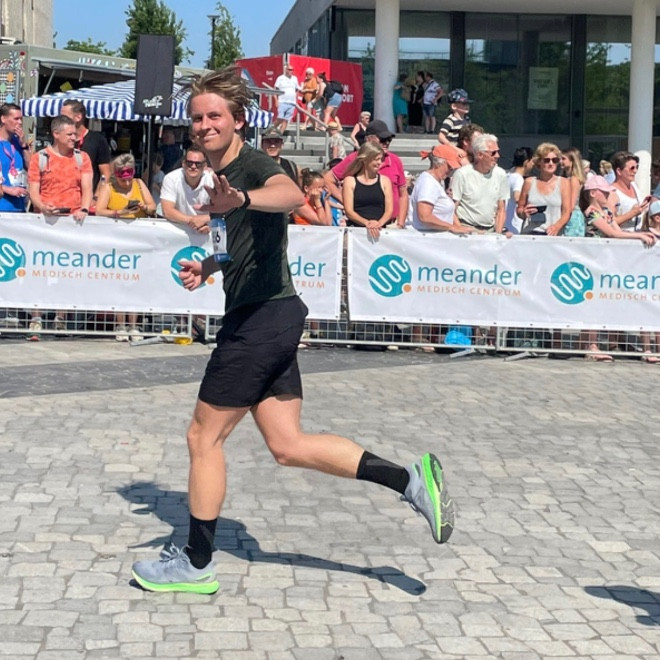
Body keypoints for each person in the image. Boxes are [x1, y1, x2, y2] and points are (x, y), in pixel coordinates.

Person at [130, 66, 454, 595]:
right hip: (271, 314)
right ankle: (409, 480)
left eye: (214, 116)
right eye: (196, 118)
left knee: (202, 437)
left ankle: (195, 562)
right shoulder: (218, 175)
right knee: (287, 444)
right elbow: (231, 244)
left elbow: (288, 195)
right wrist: (208, 267)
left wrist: (242, 199)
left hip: (261, 319)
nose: (203, 125)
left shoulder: (255, 166)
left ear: (238, 120)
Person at [27, 114, 93, 337]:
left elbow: (87, 187)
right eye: (70, 134)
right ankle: (36, 318)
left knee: (66, 272)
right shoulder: (40, 158)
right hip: (45, 222)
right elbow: (34, 190)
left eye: (75, 134)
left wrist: (84, 208)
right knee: (39, 271)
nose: (75, 138)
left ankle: (60, 318)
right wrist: (42, 206)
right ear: (56, 134)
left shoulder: (82, 158)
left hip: (71, 222)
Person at [579, 176, 656, 362]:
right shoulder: (591, 213)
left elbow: (618, 231)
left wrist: (641, 233)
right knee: (592, 304)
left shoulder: (606, 212)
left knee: (599, 304)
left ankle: (589, 343)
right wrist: (639, 236)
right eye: (604, 192)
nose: (608, 195)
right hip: (593, 262)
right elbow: (612, 233)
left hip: (606, 262)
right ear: (593, 193)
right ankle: (590, 345)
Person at [95, 153, 157, 341]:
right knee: (120, 282)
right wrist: (119, 212)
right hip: (117, 241)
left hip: (139, 240)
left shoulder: (139, 184)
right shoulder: (108, 187)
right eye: (123, 178)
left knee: (136, 283)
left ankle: (134, 325)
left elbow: (153, 206)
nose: (127, 181)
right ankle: (120, 324)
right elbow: (99, 211)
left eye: (129, 176)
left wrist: (143, 207)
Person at [324, 119, 407, 229]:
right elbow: (327, 179)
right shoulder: (355, 158)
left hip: (391, 224)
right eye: (383, 139)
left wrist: (400, 223)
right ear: (368, 139)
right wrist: (347, 201)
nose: (387, 142)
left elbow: (403, 194)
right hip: (360, 224)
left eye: (389, 139)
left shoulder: (395, 160)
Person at [452, 133, 509, 233]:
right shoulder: (462, 174)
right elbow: (451, 208)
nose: (497, 156)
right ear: (480, 155)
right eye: (493, 153)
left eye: (498, 152)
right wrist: (461, 229)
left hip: (490, 231)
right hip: (467, 229)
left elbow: (501, 209)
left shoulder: (501, 174)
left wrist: (498, 234)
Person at [412, 145, 473, 234]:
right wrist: (451, 227)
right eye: (449, 166)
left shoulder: (436, 182)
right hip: (428, 237)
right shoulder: (428, 183)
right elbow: (425, 217)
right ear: (438, 164)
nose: (452, 170)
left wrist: (459, 227)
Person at [516, 143, 571, 236]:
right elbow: (519, 209)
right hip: (530, 233)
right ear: (539, 162)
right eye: (546, 160)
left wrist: (556, 227)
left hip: (553, 234)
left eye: (555, 160)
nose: (551, 163)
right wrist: (524, 213)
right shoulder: (529, 182)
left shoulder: (564, 183)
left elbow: (567, 212)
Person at [342, 142, 393, 239]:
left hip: (380, 232)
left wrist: (378, 224)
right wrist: (367, 223)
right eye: (376, 159)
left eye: (381, 159)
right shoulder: (350, 181)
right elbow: (349, 211)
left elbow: (389, 210)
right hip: (356, 232)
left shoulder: (385, 181)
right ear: (365, 160)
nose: (379, 163)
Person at [60, 99, 111, 194]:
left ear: (78, 117)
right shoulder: (61, 139)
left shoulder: (97, 140)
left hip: (88, 197)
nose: (61, 120)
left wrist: (96, 197)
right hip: (64, 196)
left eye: (64, 117)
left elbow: (105, 174)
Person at [160, 145, 213, 234]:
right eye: (189, 163)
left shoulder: (212, 181)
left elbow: (222, 211)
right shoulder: (171, 178)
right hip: (178, 231)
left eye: (198, 164)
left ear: (204, 166)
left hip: (205, 230)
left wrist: (206, 221)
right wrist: (192, 220)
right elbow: (167, 211)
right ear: (183, 164)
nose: (193, 166)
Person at [0, 103, 30, 213]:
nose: (20, 123)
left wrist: (23, 146)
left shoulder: (18, 143)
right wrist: (7, 189)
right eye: (16, 119)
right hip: (2, 205)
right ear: (3, 119)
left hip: (18, 206)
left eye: (21, 119)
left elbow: (31, 167)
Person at [609, 151, 649, 232]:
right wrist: (631, 214)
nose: (635, 171)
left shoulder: (634, 186)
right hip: (622, 237)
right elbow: (609, 222)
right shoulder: (612, 192)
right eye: (632, 168)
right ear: (619, 171)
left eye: (637, 167)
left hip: (639, 235)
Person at [560, 147, 587, 237]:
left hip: (572, 216)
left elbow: (571, 204)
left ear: (572, 161)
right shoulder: (566, 178)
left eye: (563, 159)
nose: (560, 161)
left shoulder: (574, 179)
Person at [505, 147, 532, 233]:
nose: (533, 165)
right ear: (526, 162)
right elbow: (517, 197)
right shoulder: (518, 179)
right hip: (514, 226)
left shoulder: (508, 175)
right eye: (532, 162)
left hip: (506, 223)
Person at [273, 63, 300, 134]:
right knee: (280, 118)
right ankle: (272, 129)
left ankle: (280, 133)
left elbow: (297, 89)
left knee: (286, 120)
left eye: (292, 70)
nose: (291, 71)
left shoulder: (295, 78)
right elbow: (275, 90)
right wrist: (276, 100)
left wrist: (296, 97)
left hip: (292, 102)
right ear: (286, 70)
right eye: (290, 69)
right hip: (282, 101)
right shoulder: (280, 78)